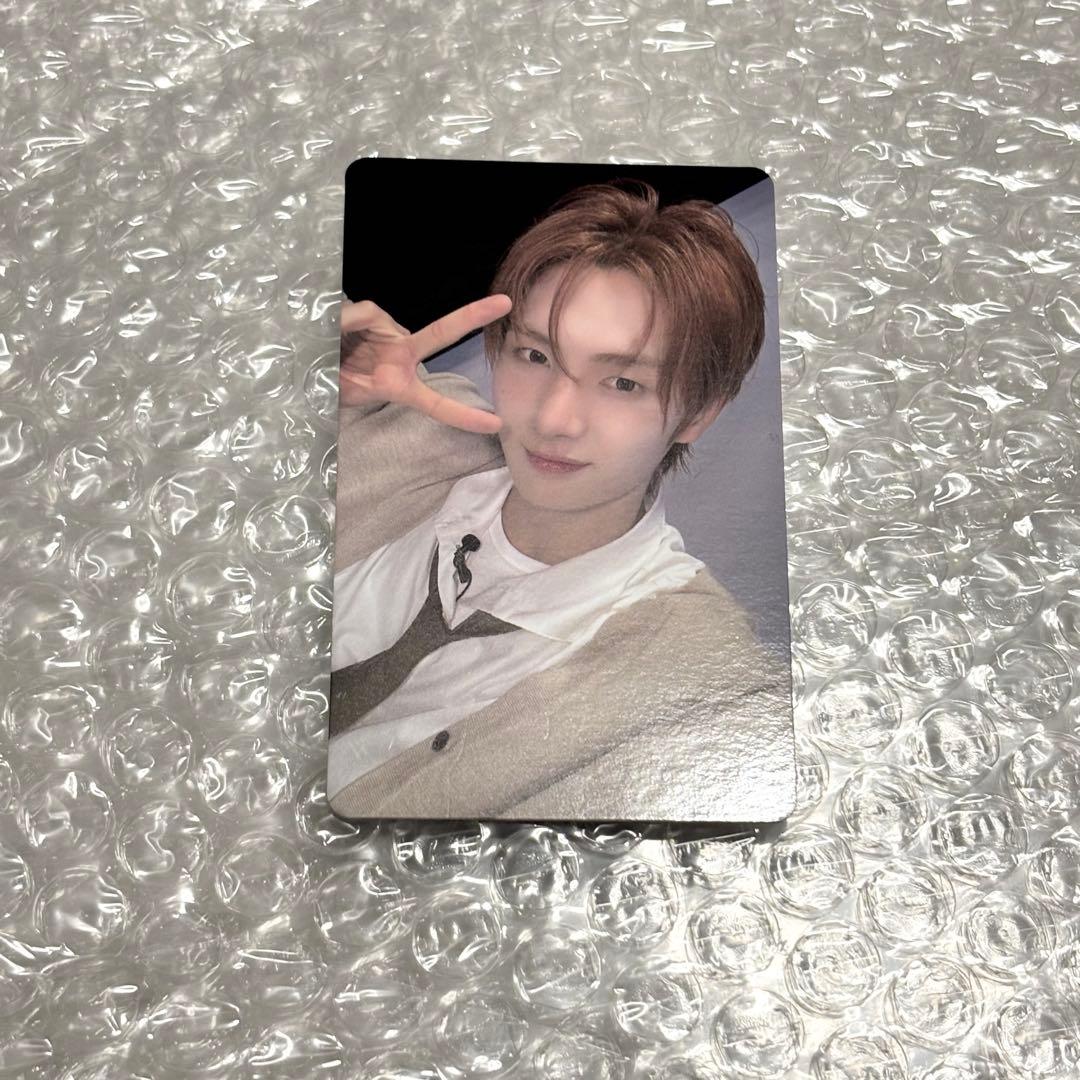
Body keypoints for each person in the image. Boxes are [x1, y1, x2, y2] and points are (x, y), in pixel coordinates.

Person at [328, 180, 793, 822]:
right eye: (534, 354)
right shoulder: (410, 416)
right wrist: (305, 374)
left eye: (622, 382)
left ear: (697, 415)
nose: (553, 419)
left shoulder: (695, 670)